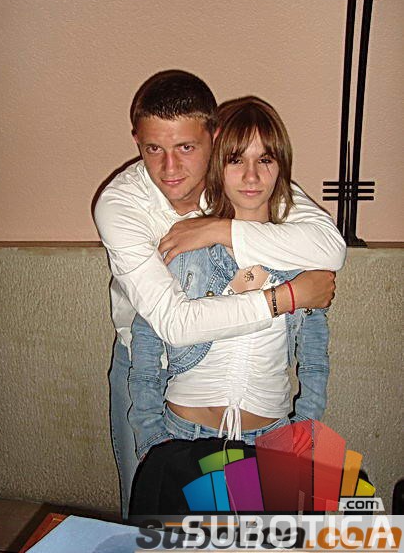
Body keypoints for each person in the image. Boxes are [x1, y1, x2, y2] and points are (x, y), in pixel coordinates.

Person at [93, 70, 345, 517]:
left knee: (249, 534)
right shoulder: (120, 204)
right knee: (148, 514)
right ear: (137, 142)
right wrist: (286, 298)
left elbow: (331, 249)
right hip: (150, 367)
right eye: (154, 149)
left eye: (186, 148)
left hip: (261, 421)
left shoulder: (243, 180)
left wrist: (218, 229)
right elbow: (170, 325)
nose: (170, 169)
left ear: (213, 137)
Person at [128, 95, 331, 466]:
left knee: (268, 515)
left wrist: (304, 434)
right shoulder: (185, 245)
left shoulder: (305, 257)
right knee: (178, 511)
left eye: (265, 160)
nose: (251, 176)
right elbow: (145, 344)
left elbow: (315, 361)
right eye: (236, 160)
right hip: (183, 434)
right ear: (217, 165)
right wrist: (150, 436)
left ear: (281, 166)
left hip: (268, 442)